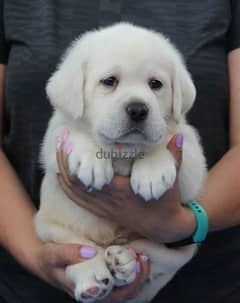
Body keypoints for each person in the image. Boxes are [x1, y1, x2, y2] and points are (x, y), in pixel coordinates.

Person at [0, 1, 240, 302]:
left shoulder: (176, 132)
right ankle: (86, 267)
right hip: (32, 282)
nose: (138, 104)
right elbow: (56, 149)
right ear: (78, 89)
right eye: (110, 81)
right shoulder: (68, 116)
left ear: (177, 95)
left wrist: (184, 221)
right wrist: (35, 255)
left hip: (204, 285)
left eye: (155, 84)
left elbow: (196, 174)